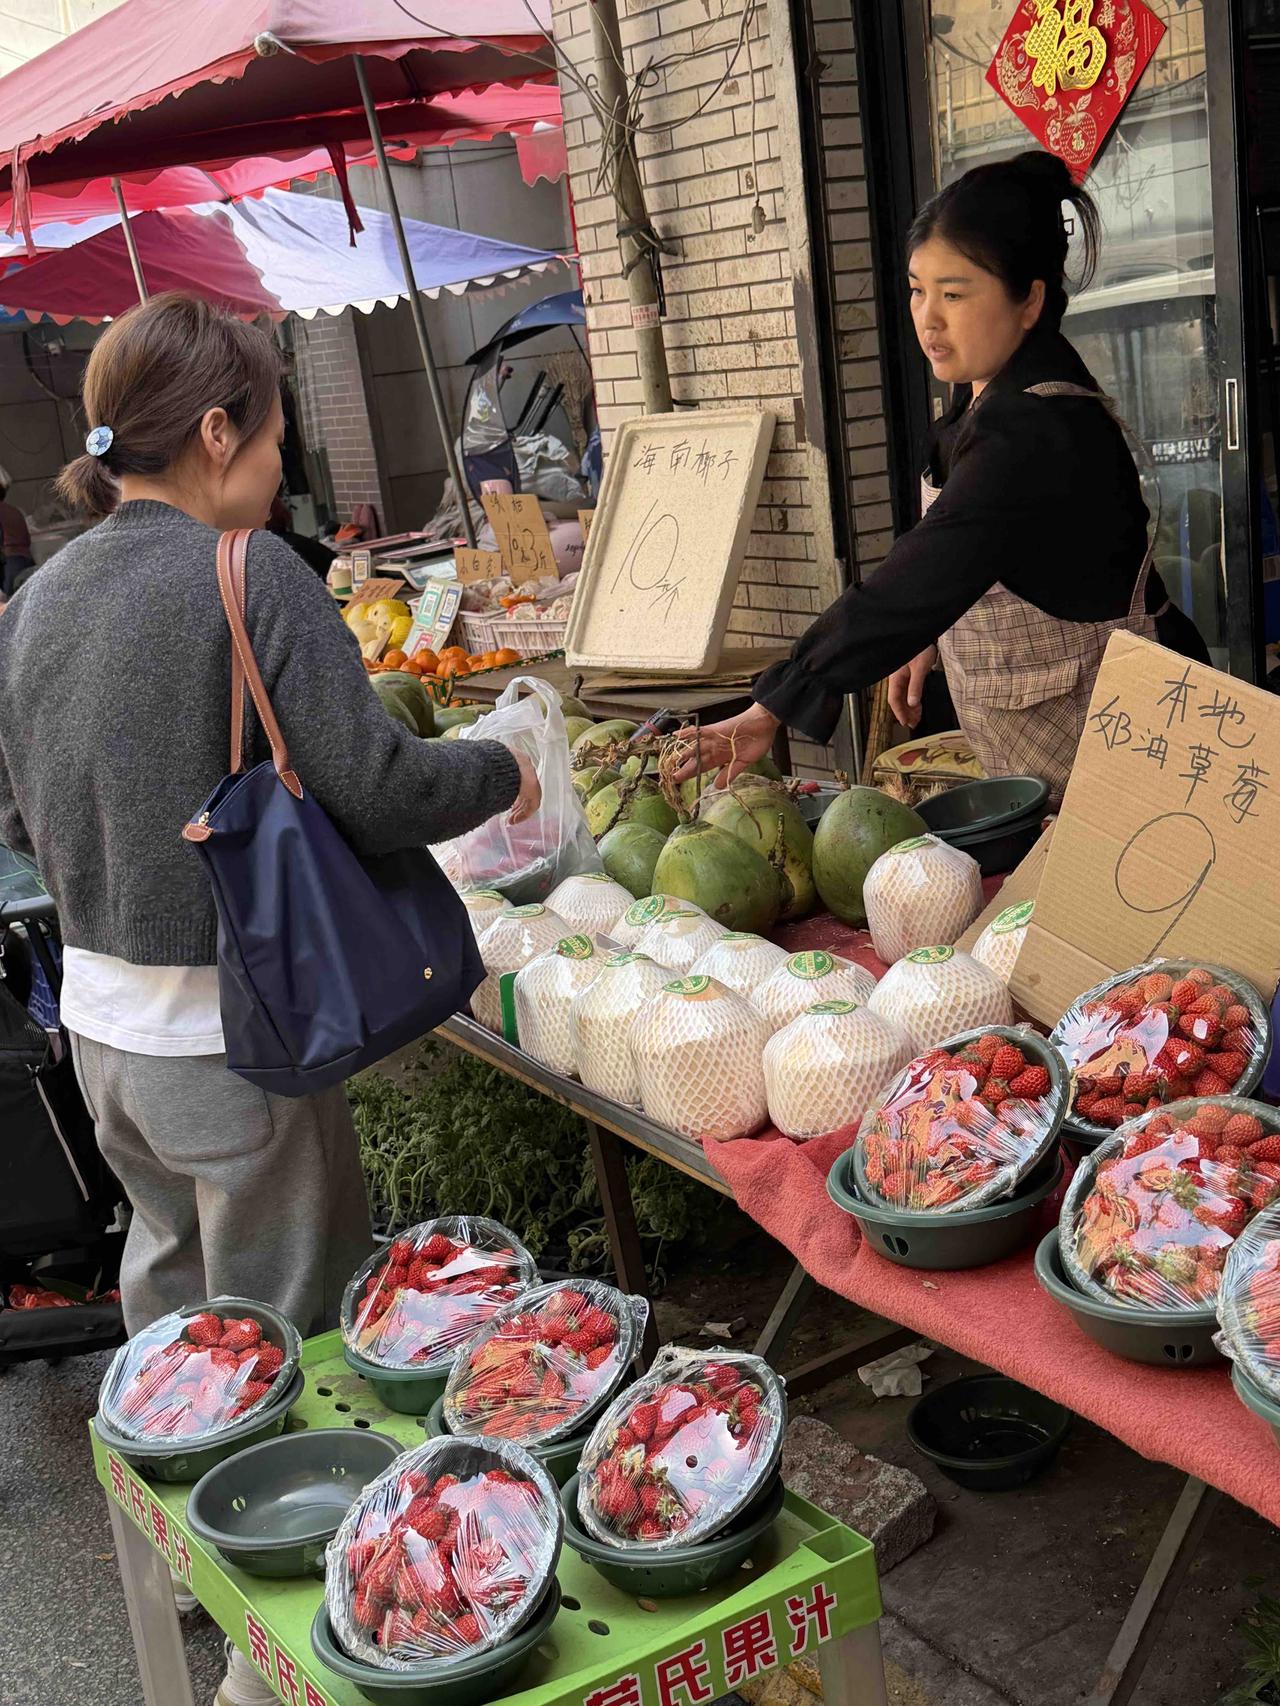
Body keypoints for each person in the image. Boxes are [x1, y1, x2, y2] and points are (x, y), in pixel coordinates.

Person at [0, 292, 539, 1706]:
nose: (279, 454)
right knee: (295, 1344)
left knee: (178, 1315)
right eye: (275, 428)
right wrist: (503, 765)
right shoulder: (249, 571)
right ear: (217, 430)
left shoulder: (36, 598)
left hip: (102, 1034)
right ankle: (276, 1665)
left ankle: (185, 1567)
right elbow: (375, 786)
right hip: (236, 1036)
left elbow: (26, 807)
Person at [675, 150, 1207, 806]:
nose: (928, 317)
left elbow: (929, 566)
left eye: (954, 294)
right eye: (917, 289)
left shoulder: (1033, 429)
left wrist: (777, 703)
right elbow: (971, 555)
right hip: (1060, 746)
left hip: (1131, 745)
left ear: (1029, 300)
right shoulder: (982, 394)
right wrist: (932, 631)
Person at [0, 465, 35, 597]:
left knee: (10, 603)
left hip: (10, 563)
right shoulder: (14, 510)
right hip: (27, 561)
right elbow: (27, 539)